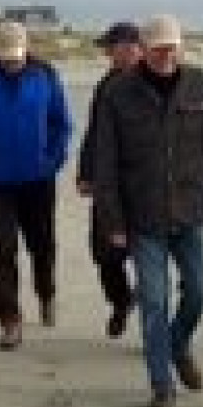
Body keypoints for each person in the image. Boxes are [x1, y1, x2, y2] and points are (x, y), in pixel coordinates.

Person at [90, 14, 203, 407]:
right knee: (154, 301)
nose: (165, 55)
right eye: (157, 48)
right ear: (144, 48)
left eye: (171, 47)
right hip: (143, 217)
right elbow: (106, 161)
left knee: (200, 291)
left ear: (180, 47)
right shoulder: (118, 93)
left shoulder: (201, 85)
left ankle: (178, 344)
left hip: (195, 210)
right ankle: (161, 386)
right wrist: (113, 221)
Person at [0, 21, 73, 350]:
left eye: (16, 58)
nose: (11, 64)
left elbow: (62, 124)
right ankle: (10, 321)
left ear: (27, 51)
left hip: (39, 180)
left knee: (42, 247)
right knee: (5, 250)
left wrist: (54, 160)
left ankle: (46, 293)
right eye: (5, 58)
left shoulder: (46, 75)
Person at [76, 21, 144, 338]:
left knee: (148, 257)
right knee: (104, 254)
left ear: (131, 48)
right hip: (107, 182)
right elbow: (93, 133)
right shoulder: (106, 84)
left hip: (145, 186)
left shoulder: (153, 81)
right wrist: (85, 172)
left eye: (110, 47)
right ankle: (121, 302)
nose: (105, 53)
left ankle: (152, 326)